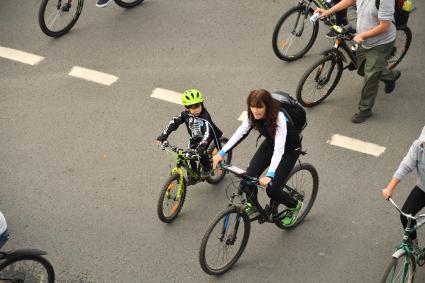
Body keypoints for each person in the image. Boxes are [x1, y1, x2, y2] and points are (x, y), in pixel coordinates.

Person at [212, 89, 303, 226]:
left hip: (289, 150)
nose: (255, 111)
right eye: (252, 106)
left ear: (267, 106)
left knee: (272, 190)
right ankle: (254, 206)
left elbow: (279, 150)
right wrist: (221, 153)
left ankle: (294, 205)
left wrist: (270, 175)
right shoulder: (252, 115)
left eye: (259, 107)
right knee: (248, 179)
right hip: (270, 143)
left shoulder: (279, 119)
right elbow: (240, 133)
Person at [316, 0, 401, 123]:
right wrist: (328, 11)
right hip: (363, 40)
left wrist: (362, 36)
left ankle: (365, 110)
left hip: (380, 43)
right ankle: (390, 76)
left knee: (370, 77)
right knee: (362, 70)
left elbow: (385, 26)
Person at [156, 89, 223, 178]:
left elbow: (208, 133)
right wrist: (163, 136)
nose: (196, 110)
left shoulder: (205, 117)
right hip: (194, 138)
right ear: (187, 108)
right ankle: (193, 174)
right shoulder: (185, 114)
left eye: (198, 106)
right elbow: (174, 122)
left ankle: (207, 168)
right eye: (192, 107)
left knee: (201, 153)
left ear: (202, 104)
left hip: (206, 137)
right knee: (188, 156)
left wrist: (202, 145)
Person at [382, 126, 425, 253]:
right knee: (405, 215)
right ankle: (414, 245)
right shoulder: (418, 146)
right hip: (423, 186)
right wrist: (389, 188)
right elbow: (405, 166)